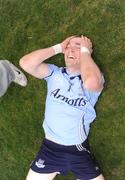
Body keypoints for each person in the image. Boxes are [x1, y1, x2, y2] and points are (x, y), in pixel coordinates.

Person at [20, 35, 105, 180]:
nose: (70, 51)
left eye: (77, 47)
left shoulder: (93, 77)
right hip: (49, 149)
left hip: (77, 150)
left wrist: (85, 51)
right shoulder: (54, 73)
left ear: (86, 53)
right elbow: (26, 63)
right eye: (68, 47)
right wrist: (58, 47)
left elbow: (91, 82)